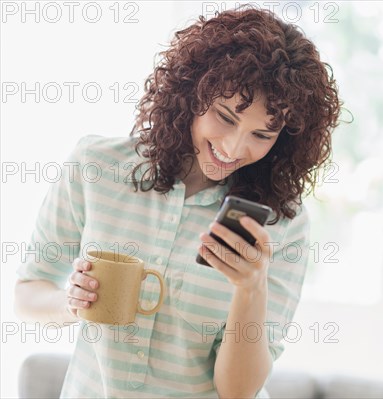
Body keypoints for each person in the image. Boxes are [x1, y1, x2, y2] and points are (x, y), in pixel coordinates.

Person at [14, 5, 342, 398]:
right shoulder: (96, 166)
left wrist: (250, 289)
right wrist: (72, 303)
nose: (233, 147)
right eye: (225, 117)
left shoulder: (281, 224)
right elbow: (28, 291)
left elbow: (238, 391)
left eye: (262, 135)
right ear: (192, 91)